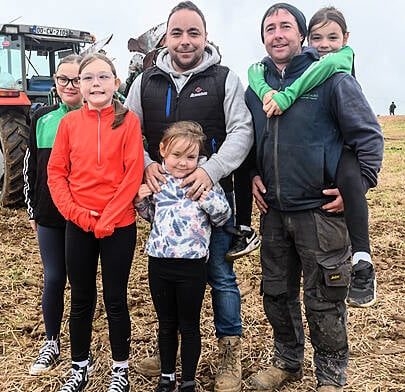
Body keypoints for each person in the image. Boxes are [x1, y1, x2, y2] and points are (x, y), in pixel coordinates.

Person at [245, 4, 383, 392]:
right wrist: (253, 173)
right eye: (270, 28)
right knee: (275, 292)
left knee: (324, 297)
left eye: (286, 26)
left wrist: (359, 186)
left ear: (301, 35)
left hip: (320, 212)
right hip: (273, 210)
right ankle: (288, 360)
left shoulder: (331, 78)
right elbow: (249, 139)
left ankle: (330, 376)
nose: (278, 34)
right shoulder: (255, 89)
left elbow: (368, 137)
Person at [124, 2, 254, 391]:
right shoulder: (144, 82)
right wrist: (147, 164)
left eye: (193, 33)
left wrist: (209, 171)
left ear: (205, 37)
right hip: (166, 202)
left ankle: (229, 354)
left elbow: (242, 131)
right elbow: (130, 133)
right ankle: (174, 355)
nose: (185, 41)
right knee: (169, 283)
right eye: (177, 33)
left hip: (212, 198)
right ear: (165, 38)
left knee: (220, 276)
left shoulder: (224, 79)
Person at [47, 53, 144, 392]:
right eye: (88, 78)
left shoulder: (128, 121)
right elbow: (57, 174)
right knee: (81, 297)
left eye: (103, 77)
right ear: (80, 86)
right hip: (80, 224)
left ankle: (120, 369)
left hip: (119, 225)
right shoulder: (69, 124)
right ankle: (79, 368)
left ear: (116, 84)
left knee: (116, 298)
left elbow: (133, 174)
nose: (96, 83)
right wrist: (80, 216)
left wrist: (110, 218)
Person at [135, 121, 232, 392]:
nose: (183, 163)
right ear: (163, 151)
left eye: (190, 157)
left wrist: (206, 198)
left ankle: (188, 379)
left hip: (191, 265)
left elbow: (223, 216)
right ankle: (167, 376)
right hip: (160, 262)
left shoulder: (203, 182)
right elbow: (152, 218)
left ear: (199, 157)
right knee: (166, 324)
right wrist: (140, 201)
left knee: (189, 324)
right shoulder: (157, 181)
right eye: (177, 155)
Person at [24, 54, 96, 376]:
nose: (69, 85)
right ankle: (51, 342)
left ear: (84, 82)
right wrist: (32, 209)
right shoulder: (42, 120)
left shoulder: (95, 121)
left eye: (75, 79)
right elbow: (31, 168)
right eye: (62, 79)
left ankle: (83, 347)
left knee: (83, 284)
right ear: (55, 82)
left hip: (82, 215)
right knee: (54, 278)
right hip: (50, 215)